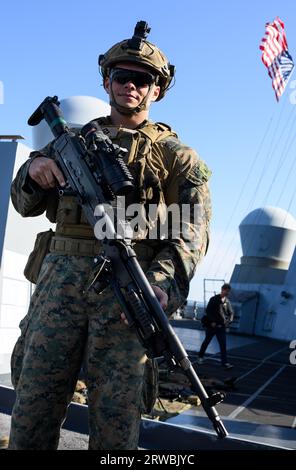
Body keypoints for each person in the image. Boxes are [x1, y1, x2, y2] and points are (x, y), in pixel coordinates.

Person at [8, 21, 211, 450]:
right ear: (107, 81)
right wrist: (33, 171)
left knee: (116, 424)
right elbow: (23, 204)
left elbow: (191, 231)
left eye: (143, 80)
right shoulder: (73, 142)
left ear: (158, 90)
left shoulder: (179, 159)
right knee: (32, 408)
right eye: (122, 77)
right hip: (58, 289)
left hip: (126, 292)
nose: (131, 86)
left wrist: (160, 285)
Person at [197, 283, 234, 369]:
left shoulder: (227, 302)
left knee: (223, 344)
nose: (227, 293)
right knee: (206, 342)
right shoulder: (214, 299)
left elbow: (231, 312)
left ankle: (224, 362)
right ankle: (200, 357)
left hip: (221, 327)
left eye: (228, 292)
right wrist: (212, 321)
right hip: (212, 327)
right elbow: (208, 311)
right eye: (226, 291)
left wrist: (230, 321)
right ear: (222, 290)